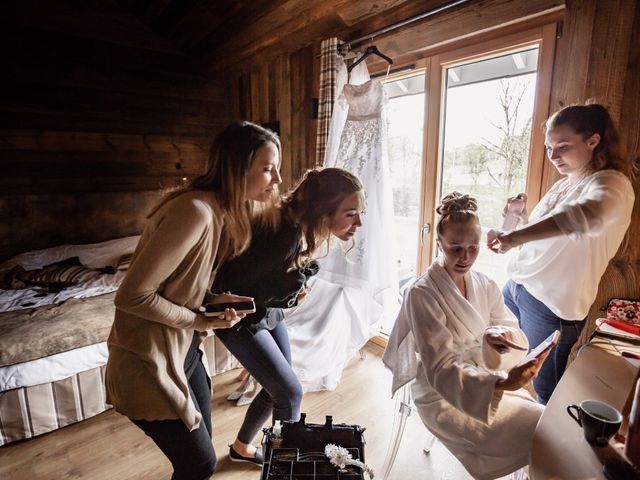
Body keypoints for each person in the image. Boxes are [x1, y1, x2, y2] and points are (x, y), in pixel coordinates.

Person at [104, 121, 282, 480]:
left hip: (185, 354)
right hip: (147, 361)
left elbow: (179, 287)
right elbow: (132, 296)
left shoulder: (221, 214)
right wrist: (200, 321)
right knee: (198, 464)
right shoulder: (195, 212)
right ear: (236, 168)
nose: (277, 179)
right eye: (267, 168)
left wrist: (213, 300)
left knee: (202, 457)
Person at [383, 192, 547, 480]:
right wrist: (501, 383)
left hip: (485, 378)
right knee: (541, 430)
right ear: (439, 245)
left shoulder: (485, 284)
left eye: (473, 248)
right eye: (455, 248)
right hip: (442, 392)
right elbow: (441, 367)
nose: (465, 257)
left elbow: (514, 330)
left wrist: (498, 337)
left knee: (549, 421)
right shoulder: (422, 294)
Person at [211, 167, 364, 465]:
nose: (359, 222)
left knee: (278, 388)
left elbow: (269, 280)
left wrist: (289, 292)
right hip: (239, 318)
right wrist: (291, 292)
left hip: (268, 313)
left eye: (360, 212)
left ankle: (241, 448)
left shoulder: (300, 226)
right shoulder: (287, 235)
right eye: (350, 213)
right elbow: (235, 284)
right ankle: (285, 468)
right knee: (290, 393)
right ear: (325, 209)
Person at [487, 102, 635, 404]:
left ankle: (541, 448)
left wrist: (513, 237)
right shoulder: (565, 183)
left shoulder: (612, 185)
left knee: (544, 388)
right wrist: (519, 217)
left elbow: (584, 217)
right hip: (517, 288)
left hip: (551, 307)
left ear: (593, 141)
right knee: (496, 357)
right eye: (549, 147)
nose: (553, 156)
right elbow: (550, 238)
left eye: (563, 146)